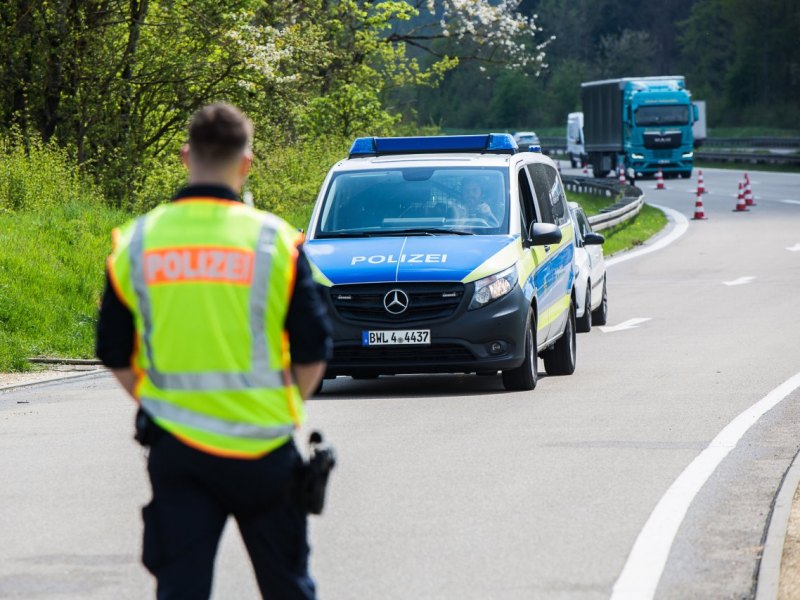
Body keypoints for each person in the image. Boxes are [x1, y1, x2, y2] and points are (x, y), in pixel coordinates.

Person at [95, 103, 331, 600]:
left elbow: (113, 351)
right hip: (264, 450)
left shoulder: (137, 242)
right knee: (288, 588)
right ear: (245, 164)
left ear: (185, 156)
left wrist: (158, 403)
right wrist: (285, 406)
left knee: (181, 591)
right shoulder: (276, 241)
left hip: (178, 453)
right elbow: (314, 350)